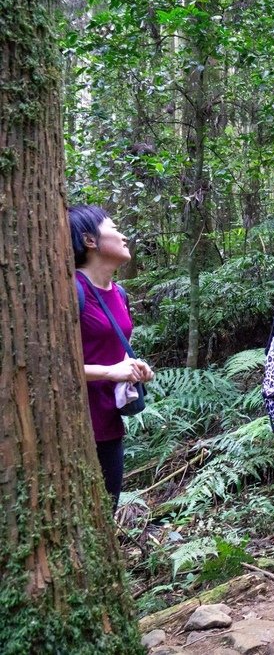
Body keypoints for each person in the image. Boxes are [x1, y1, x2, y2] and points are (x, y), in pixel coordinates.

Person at [70, 205, 155, 514]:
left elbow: (117, 352)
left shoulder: (119, 294)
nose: (123, 235)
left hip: (108, 422)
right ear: (90, 241)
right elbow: (51, 367)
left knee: (105, 513)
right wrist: (110, 371)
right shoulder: (72, 292)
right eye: (114, 228)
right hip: (73, 425)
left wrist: (133, 367)